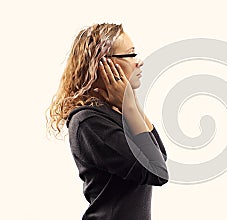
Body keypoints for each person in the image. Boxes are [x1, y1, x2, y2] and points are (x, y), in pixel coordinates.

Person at [47, 23, 168, 220]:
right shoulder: (88, 122)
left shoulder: (116, 112)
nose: (139, 62)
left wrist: (131, 103)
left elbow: (159, 156)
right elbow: (157, 172)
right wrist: (128, 106)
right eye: (130, 55)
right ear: (102, 64)